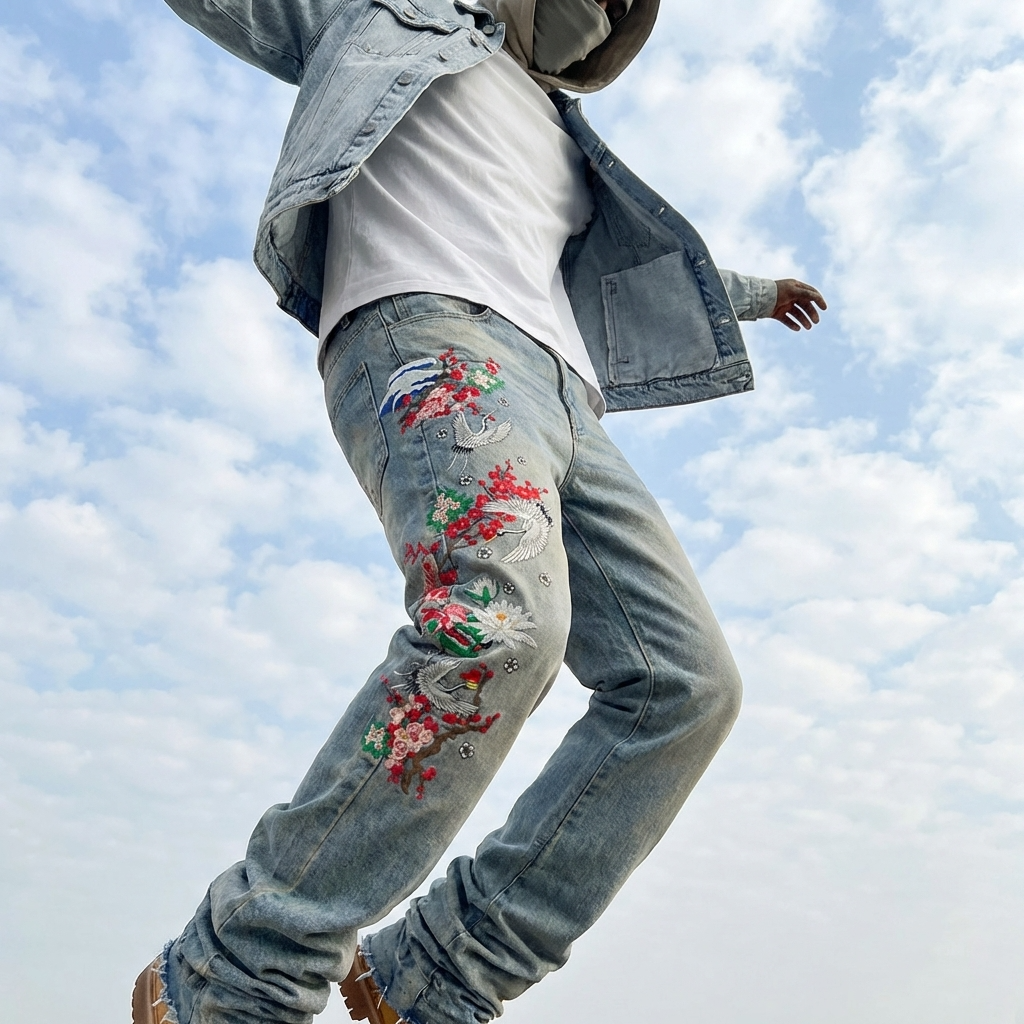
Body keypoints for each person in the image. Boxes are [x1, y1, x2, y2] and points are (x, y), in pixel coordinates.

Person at [132, 0, 826, 1021]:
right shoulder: (383, 20)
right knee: (500, 624)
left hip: (566, 397)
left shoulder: (567, 137)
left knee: (687, 687)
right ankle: (237, 969)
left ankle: (436, 970)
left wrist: (759, 292)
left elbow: (647, 272)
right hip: (429, 333)